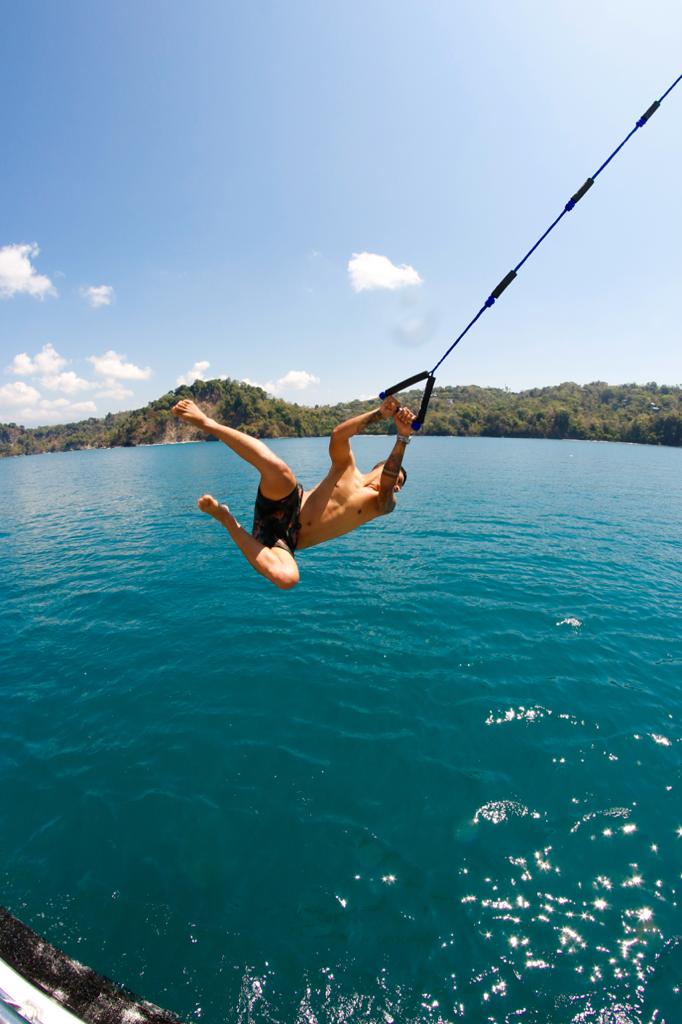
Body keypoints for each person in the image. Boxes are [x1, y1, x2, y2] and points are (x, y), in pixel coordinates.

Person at [171, 396, 414, 590]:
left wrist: (402, 438)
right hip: (287, 502)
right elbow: (339, 434)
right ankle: (208, 424)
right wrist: (379, 415)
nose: (396, 487)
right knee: (280, 471)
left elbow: (388, 482)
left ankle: (227, 520)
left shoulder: (381, 504)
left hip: (285, 539)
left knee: (288, 579)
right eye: (398, 480)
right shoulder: (347, 469)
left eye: (399, 486)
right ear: (377, 467)